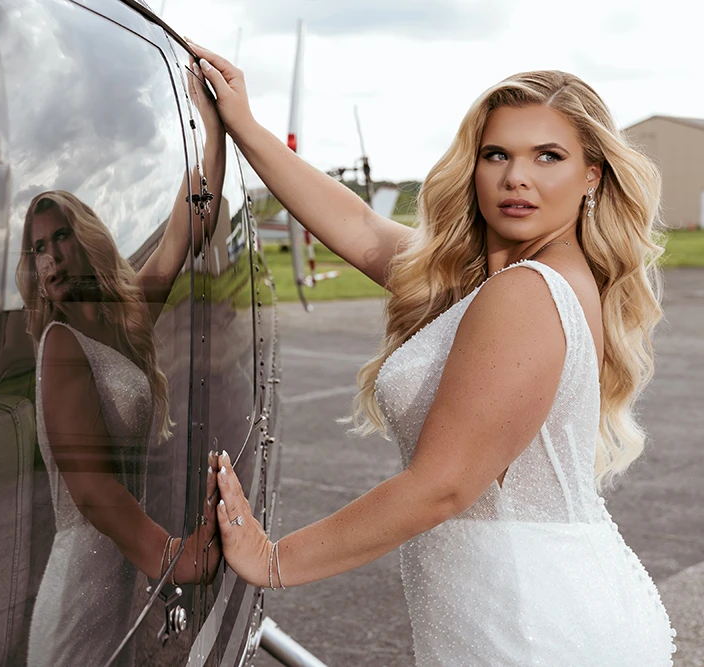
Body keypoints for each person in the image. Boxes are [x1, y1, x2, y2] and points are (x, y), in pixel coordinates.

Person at [188, 40, 678, 666]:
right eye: (496, 154)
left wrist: (274, 560)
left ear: (593, 175)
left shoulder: (528, 291)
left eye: (548, 156)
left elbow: (443, 485)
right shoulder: (503, 282)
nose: (516, 177)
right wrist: (248, 129)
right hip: (526, 602)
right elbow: (362, 229)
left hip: (530, 625)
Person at [19, 64, 227, 667]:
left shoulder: (121, 318)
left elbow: (187, 228)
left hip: (118, 579)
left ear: (84, 239)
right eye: (38, 248)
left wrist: (213, 133)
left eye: (60, 237)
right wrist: (175, 558)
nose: (51, 257)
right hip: (79, 590)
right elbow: (90, 490)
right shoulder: (60, 344)